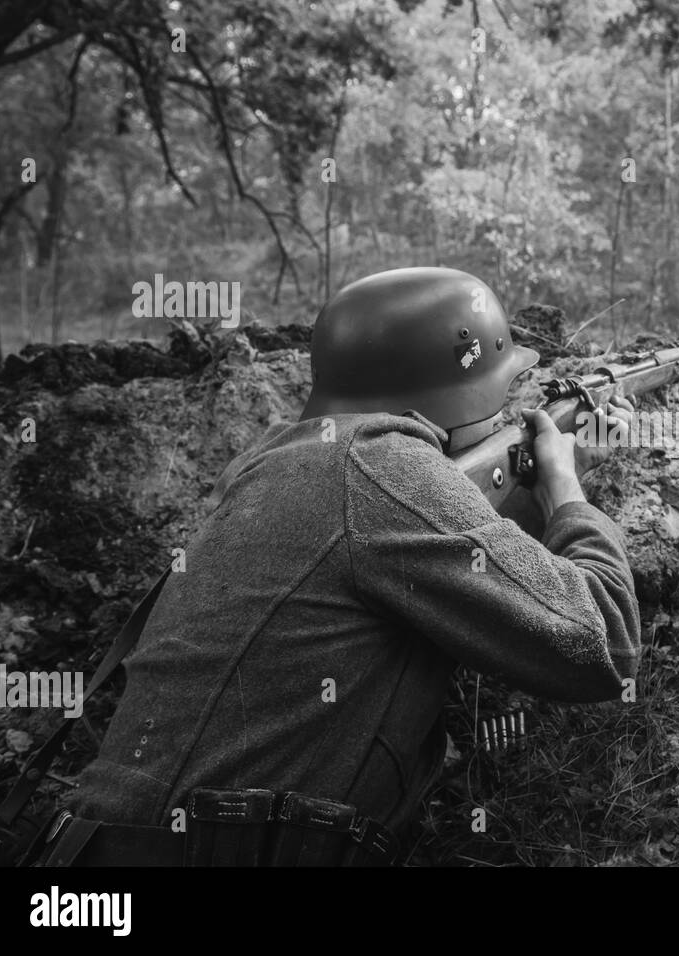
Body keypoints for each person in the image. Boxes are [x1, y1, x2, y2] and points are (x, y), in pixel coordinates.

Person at [44, 267, 640, 866]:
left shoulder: (275, 464)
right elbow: (604, 643)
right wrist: (565, 487)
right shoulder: (384, 469)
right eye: (504, 391)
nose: (511, 406)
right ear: (459, 395)